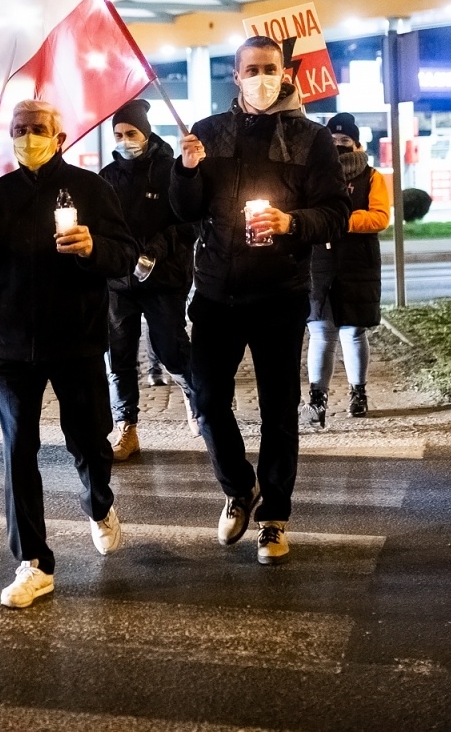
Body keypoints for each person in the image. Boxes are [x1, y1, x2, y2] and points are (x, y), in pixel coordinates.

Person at [0, 99, 137, 608]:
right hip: (13, 347)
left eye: (37, 128)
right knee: (17, 449)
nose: (27, 137)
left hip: (77, 340)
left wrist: (93, 248)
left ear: (59, 136)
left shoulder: (91, 189)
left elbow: (124, 256)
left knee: (90, 443)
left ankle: (98, 503)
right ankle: (33, 562)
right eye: (19, 129)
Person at [171, 36, 348, 566]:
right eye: (251, 70)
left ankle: (274, 517)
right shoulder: (207, 132)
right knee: (207, 400)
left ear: (285, 72)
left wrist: (291, 222)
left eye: (270, 69)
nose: (260, 78)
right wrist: (186, 170)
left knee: (278, 409)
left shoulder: (311, 139)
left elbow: (335, 214)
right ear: (235, 75)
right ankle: (238, 486)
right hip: (215, 293)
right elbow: (184, 211)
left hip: (279, 294)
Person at [99, 99, 195, 459]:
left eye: (131, 133)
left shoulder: (171, 171)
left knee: (170, 349)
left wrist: (156, 249)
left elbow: (189, 223)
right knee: (119, 357)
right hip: (119, 282)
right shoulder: (107, 177)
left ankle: (193, 392)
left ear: (146, 133)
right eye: (118, 134)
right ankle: (126, 427)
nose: (125, 140)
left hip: (163, 279)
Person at [305, 112, 390, 424]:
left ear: (356, 144)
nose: (338, 145)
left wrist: (341, 221)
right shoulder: (313, 173)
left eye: (344, 140)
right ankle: (317, 399)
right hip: (319, 261)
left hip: (358, 262)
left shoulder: (372, 176)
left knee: (353, 331)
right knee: (320, 331)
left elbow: (380, 217)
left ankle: (358, 393)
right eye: (332, 140)